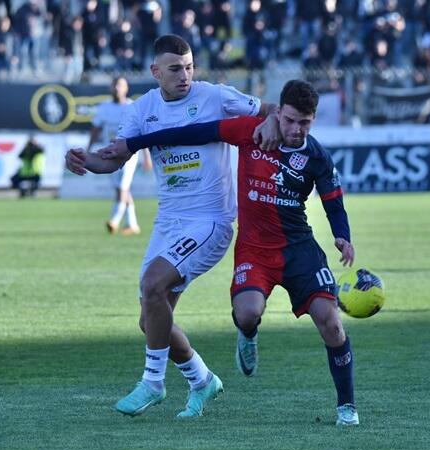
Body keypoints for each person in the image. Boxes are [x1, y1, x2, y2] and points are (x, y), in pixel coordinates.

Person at [98, 80, 360, 426]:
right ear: (279, 112)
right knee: (248, 313)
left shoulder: (316, 156)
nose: (297, 130)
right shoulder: (250, 132)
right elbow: (196, 131)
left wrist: (343, 236)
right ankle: (247, 336)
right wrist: (131, 145)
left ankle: (347, 407)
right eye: (291, 120)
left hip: (299, 249)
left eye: (306, 123)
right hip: (254, 248)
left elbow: (332, 201)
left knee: (331, 324)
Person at [64, 34, 280, 418]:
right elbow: (113, 158)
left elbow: (269, 109)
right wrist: (84, 161)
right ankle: (202, 380)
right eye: (176, 69)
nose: (185, 76)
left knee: (152, 284)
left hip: (211, 221)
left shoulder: (215, 96)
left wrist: (274, 124)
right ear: (155, 72)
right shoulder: (143, 108)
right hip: (170, 221)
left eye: (190, 67)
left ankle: (153, 383)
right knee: (150, 320)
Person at [87, 77, 148, 235]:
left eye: (120, 85)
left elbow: (142, 133)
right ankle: (132, 224)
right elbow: (96, 128)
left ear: (126, 88)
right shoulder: (104, 107)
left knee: (122, 187)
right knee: (121, 189)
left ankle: (114, 221)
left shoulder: (131, 107)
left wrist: (147, 157)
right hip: (109, 153)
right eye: (114, 85)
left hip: (128, 153)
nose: (116, 88)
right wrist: (88, 147)